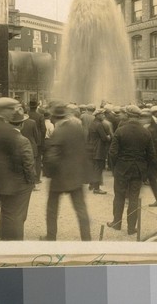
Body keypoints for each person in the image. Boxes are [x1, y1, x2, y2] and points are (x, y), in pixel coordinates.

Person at [0, 97, 36, 241]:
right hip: (6, 183)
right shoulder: (10, 132)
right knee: (10, 215)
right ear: (3, 110)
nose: (12, 113)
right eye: (11, 110)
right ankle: (10, 245)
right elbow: (17, 160)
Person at [42, 102, 91, 241]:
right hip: (76, 175)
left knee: (52, 209)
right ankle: (87, 239)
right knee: (81, 210)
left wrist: (49, 172)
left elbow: (52, 156)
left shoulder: (58, 131)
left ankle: (51, 237)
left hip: (59, 177)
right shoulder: (77, 127)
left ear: (54, 117)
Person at [107, 105, 155, 235]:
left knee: (119, 196)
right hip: (138, 169)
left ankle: (116, 223)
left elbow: (112, 152)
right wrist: (144, 168)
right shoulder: (145, 132)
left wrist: (115, 167)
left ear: (127, 116)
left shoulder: (120, 131)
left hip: (122, 167)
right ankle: (131, 228)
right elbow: (151, 154)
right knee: (134, 198)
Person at [87, 108, 111, 194]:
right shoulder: (99, 125)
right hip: (99, 149)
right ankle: (96, 188)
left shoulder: (92, 124)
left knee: (94, 167)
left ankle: (92, 184)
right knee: (98, 168)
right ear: (98, 115)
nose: (103, 116)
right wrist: (109, 137)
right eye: (102, 114)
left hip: (92, 148)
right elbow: (104, 138)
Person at [28, 100, 46, 183]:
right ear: (36, 106)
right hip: (37, 141)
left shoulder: (26, 115)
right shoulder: (40, 116)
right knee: (38, 160)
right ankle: (37, 178)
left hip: (26, 138)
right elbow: (43, 129)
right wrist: (41, 141)